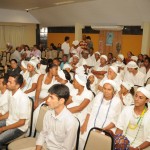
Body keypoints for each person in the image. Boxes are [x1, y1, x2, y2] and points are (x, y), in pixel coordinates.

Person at [79, 80, 122, 150]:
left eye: (109, 89)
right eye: (104, 88)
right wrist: (85, 124)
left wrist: (102, 130)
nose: (106, 91)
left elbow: (115, 121)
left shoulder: (117, 102)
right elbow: (89, 111)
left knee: (98, 142)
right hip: (91, 123)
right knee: (82, 136)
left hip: (106, 128)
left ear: (113, 91)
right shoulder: (98, 96)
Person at [36, 84, 79, 150]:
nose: (48, 100)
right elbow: (43, 134)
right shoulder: (48, 113)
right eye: (48, 96)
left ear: (61, 100)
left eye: (52, 97)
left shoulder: (71, 122)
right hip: (45, 146)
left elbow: (66, 148)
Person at [0, 74, 31, 148]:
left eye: (10, 82)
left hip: (20, 128)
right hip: (10, 121)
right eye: (8, 81)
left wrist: (2, 128)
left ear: (17, 85)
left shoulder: (23, 99)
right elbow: (10, 112)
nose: (7, 83)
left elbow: (21, 122)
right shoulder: (10, 94)